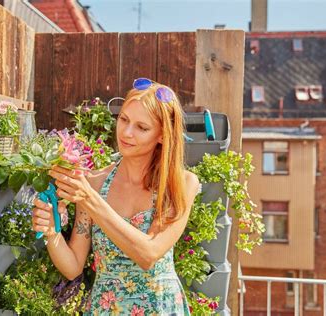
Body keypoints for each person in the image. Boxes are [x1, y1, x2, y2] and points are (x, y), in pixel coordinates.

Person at [32, 78, 200, 315]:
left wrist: (90, 200)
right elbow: (73, 267)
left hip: (159, 308)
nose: (127, 133)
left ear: (162, 135)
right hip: (106, 308)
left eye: (142, 128)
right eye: (124, 119)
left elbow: (148, 254)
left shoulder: (181, 184)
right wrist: (51, 231)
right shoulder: (95, 183)